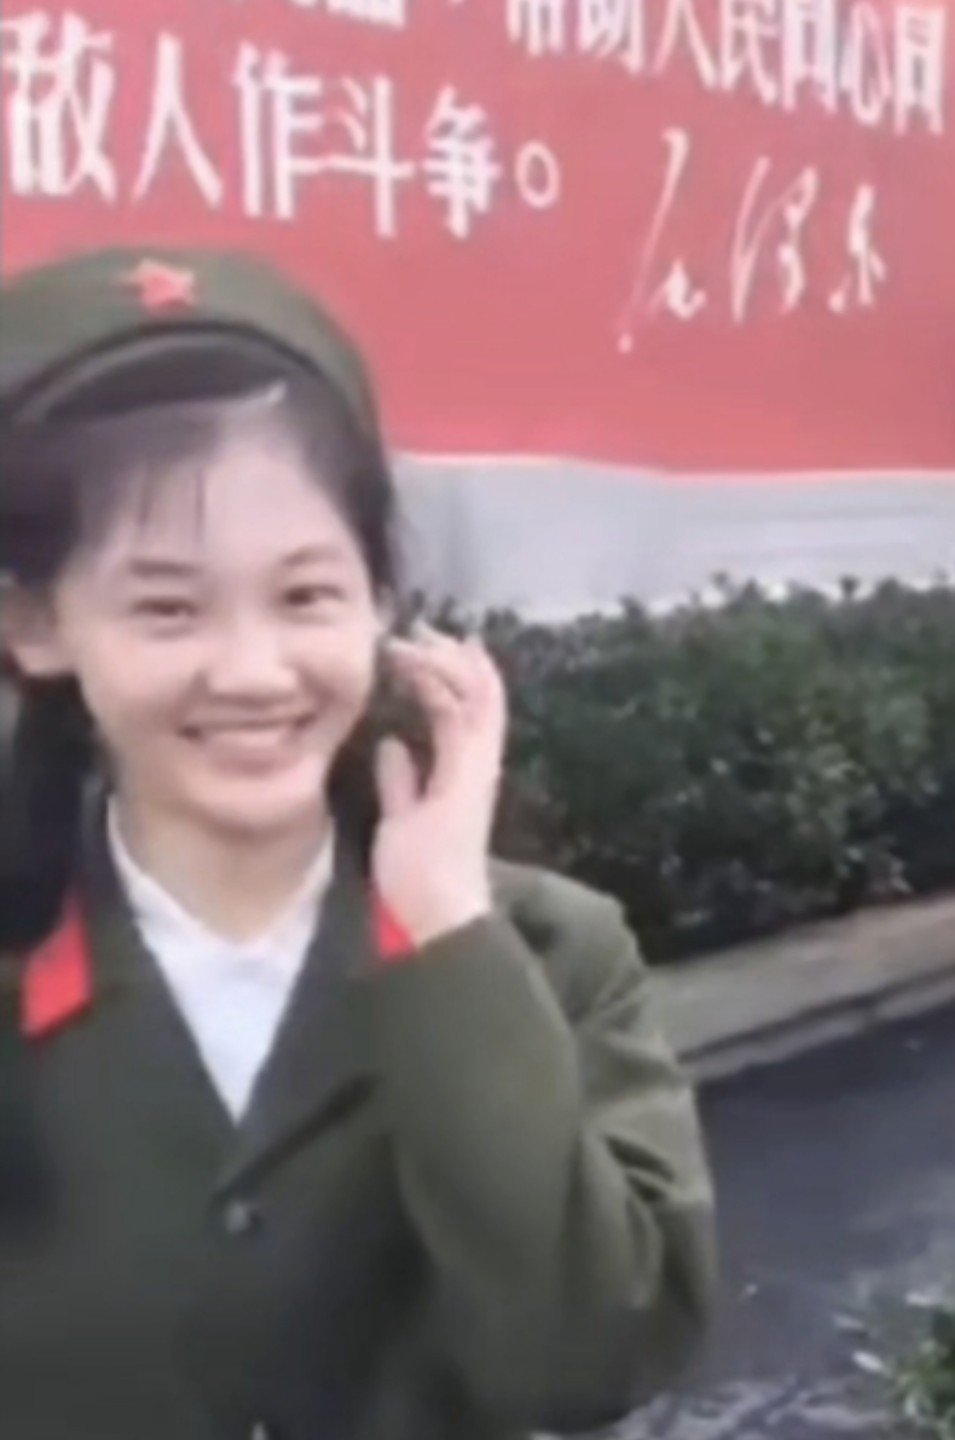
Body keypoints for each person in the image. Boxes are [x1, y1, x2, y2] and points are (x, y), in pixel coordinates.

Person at [0, 249, 717, 1439]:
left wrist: (448, 941)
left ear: (380, 598)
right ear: (36, 625)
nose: (253, 672)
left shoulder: (546, 952)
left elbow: (590, 1359)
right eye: (168, 607)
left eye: (306, 596)